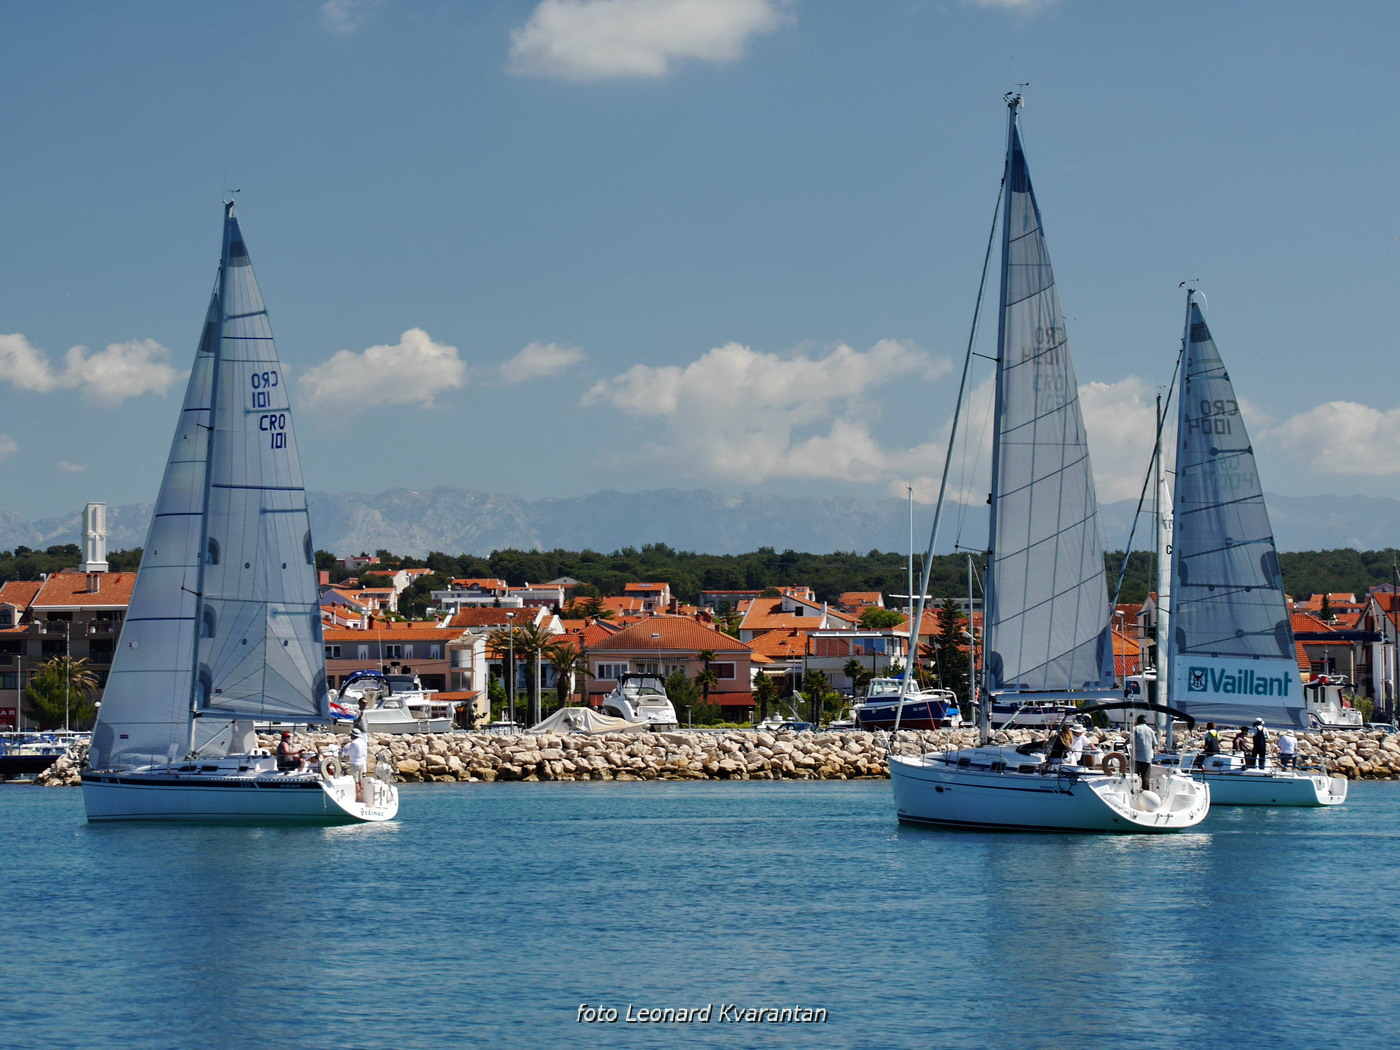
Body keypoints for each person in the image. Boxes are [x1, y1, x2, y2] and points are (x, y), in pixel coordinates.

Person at [1132, 715, 1156, 790]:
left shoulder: (1135, 729)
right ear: (1146, 722)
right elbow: (1155, 743)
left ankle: (1134, 792)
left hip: (1137, 757)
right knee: (1145, 777)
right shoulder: (1150, 730)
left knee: (1135, 776)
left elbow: (1130, 740)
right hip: (1147, 758)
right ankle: (1146, 792)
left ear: (1137, 722)